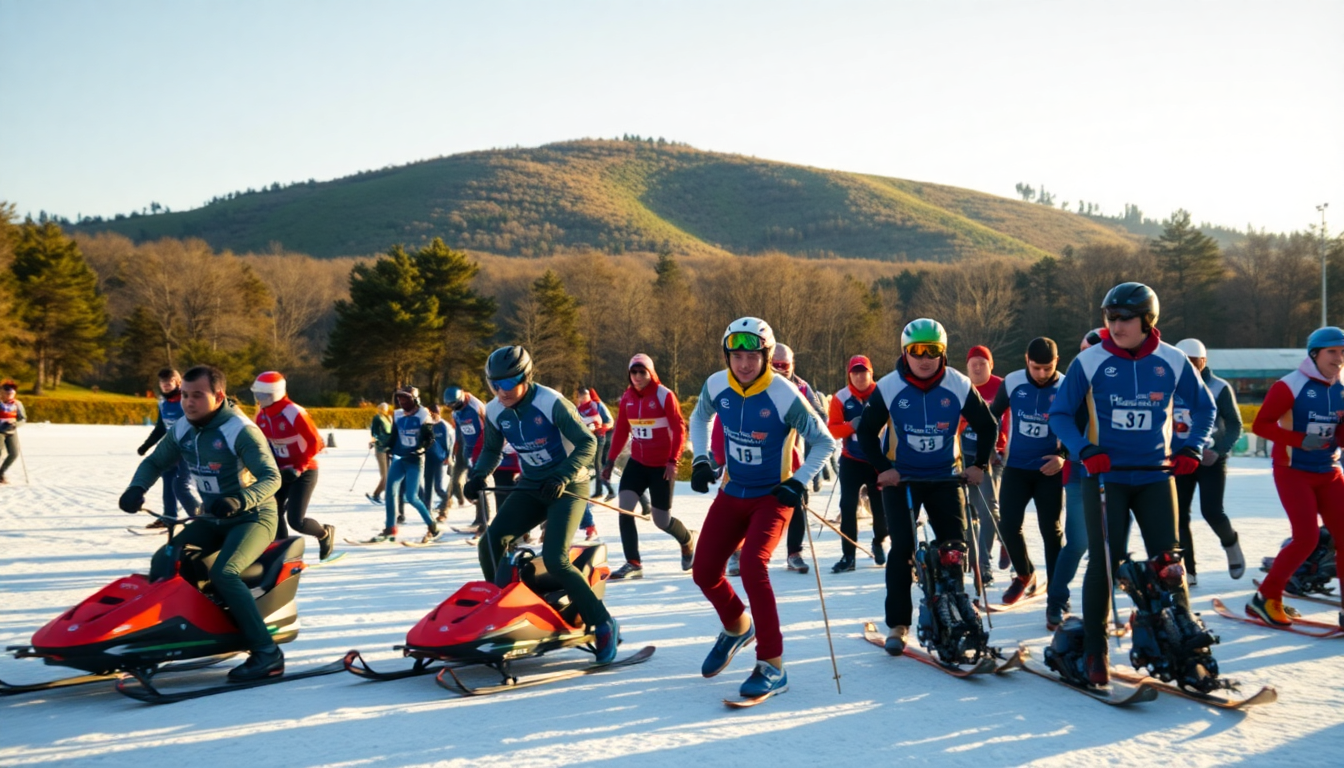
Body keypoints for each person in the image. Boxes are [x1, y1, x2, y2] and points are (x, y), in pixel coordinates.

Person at [1048, 282, 1215, 685]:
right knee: (1106, 561)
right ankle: (1094, 651)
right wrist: (1084, 450)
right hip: (1106, 477)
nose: (1115, 325)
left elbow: (1206, 406)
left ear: (1147, 320)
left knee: (1169, 565)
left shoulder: (1173, 360)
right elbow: (1059, 415)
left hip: (1156, 475)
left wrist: (1192, 448)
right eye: (1110, 317)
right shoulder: (1089, 361)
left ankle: (1185, 650)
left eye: (1124, 318)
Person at [688, 318, 837, 700]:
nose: (743, 364)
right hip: (732, 490)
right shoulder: (716, 384)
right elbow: (699, 416)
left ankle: (772, 665)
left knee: (753, 564)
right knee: (704, 571)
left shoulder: (784, 394)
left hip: (772, 496)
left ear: (767, 356)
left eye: (752, 356)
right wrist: (701, 458)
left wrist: (799, 480)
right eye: (736, 356)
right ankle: (738, 626)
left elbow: (824, 441)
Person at [116, 365, 284, 681]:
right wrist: (136, 488)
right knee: (166, 560)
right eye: (185, 395)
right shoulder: (183, 427)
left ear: (218, 396)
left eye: (197, 396)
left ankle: (267, 653)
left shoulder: (239, 430)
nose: (188, 403)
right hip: (212, 517)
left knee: (225, 572)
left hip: (253, 516)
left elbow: (271, 477)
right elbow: (154, 461)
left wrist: (241, 500)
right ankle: (176, 638)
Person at [462, 346, 619, 664]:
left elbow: (588, 442)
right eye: (494, 384)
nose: (500, 392)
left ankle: (603, 623)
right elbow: (492, 450)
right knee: (490, 543)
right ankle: (506, 613)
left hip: (568, 485)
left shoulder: (550, 402)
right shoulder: (494, 410)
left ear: (525, 377)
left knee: (555, 558)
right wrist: (478, 475)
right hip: (532, 485)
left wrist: (562, 475)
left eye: (507, 384)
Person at [855, 319, 998, 654]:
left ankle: (954, 614)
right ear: (906, 353)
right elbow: (866, 433)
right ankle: (898, 624)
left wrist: (979, 466)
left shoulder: (958, 384)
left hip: (946, 477)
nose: (924, 358)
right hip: (902, 480)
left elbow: (987, 425)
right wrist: (883, 469)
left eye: (932, 351)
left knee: (953, 549)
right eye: (916, 351)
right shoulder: (889, 387)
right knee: (902, 549)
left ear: (942, 353)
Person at [1247, 326, 1344, 628]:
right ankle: (1267, 597)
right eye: (1332, 352)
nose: (1339, 359)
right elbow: (1261, 425)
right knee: (1306, 537)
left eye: (1343, 353)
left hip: (1329, 471)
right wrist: (1299, 439)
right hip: (1293, 471)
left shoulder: (1341, 386)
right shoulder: (1290, 385)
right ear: (1314, 354)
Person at [602, 353, 695, 579]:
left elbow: (679, 429)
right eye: (633, 372)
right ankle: (633, 563)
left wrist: (673, 460)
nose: (637, 377)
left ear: (650, 373)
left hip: (661, 466)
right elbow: (622, 430)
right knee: (624, 509)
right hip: (637, 463)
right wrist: (610, 460)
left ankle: (687, 540)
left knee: (661, 520)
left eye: (641, 372)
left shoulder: (664, 396)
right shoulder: (627, 397)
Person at [989, 338, 1066, 606]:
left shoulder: (1066, 385)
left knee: (1051, 530)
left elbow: (1078, 425)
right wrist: (987, 450)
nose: (1042, 374)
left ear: (1056, 362)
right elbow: (992, 416)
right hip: (1017, 467)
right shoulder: (1012, 382)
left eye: (1047, 368)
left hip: (1048, 470)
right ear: (1026, 361)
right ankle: (1024, 574)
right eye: (1036, 368)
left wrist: (1063, 456)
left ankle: (1056, 591)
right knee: (1008, 525)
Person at [1172, 338, 1245, 585]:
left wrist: (1221, 450)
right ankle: (1188, 570)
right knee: (1178, 515)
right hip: (1181, 459)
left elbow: (1235, 425)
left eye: (1195, 363)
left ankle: (1231, 543)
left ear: (1204, 362)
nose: (1191, 368)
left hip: (1210, 458)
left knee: (1212, 511)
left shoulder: (1218, 387)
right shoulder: (1169, 385)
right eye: (1185, 363)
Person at [1046, 329, 1104, 629]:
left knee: (1109, 545)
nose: (1081, 356)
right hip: (1080, 471)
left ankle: (1102, 610)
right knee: (1079, 542)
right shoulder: (1074, 379)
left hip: (1117, 472)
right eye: (1079, 349)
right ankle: (1056, 600)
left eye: (1088, 349)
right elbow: (1060, 419)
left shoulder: (1114, 377)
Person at [252, 371, 336, 561]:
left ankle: (324, 533)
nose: (259, 399)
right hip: (281, 472)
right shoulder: (262, 415)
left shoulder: (293, 412)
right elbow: (264, 445)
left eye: (263, 395)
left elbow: (316, 442)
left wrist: (299, 467)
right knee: (273, 512)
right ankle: (281, 554)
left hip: (304, 470)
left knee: (296, 521)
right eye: (257, 394)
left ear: (276, 393)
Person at [826, 355, 889, 572]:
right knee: (848, 506)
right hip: (851, 459)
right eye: (855, 373)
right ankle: (848, 555)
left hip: (878, 460)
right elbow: (832, 429)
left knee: (881, 509)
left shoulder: (883, 393)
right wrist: (850, 426)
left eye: (864, 372)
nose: (860, 377)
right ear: (849, 375)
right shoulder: (841, 397)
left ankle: (879, 541)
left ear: (871, 373)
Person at [771, 343, 829, 575]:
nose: (778, 369)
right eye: (773, 365)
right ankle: (738, 552)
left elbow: (822, 420)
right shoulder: (754, 384)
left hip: (791, 460)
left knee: (797, 503)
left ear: (792, 365)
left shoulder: (802, 388)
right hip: (756, 458)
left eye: (783, 365)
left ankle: (794, 552)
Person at [961, 345, 1008, 584]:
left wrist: (1000, 448)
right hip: (964, 454)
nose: (978, 368)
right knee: (968, 512)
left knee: (988, 510)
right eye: (973, 364)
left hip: (993, 456)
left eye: (982, 363)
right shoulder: (961, 387)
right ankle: (975, 558)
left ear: (991, 365)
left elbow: (1009, 420)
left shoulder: (1002, 386)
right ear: (967, 367)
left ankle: (984, 563)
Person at [371, 386, 439, 543]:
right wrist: (385, 444)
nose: (401, 402)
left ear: (414, 399)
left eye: (405, 398)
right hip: (400, 458)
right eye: (400, 399)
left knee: (412, 496)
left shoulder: (423, 414)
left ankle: (432, 525)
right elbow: (394, 436)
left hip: (415, 460)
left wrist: (422, 448)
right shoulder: (397, 414)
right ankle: (390, 528)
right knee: (390, 492)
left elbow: (430, 437)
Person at [135, 368, 201, 526]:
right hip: (170, 450)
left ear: (178, 382)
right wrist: (146, 445)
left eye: (169, 382)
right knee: (168, 481)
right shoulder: (163, 402)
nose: (165, 385)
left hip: (189, 450)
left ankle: (200, 519)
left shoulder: (187, 400)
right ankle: (169, 517)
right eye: (162, 383)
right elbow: (160, 428)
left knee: (182, 486)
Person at [444, 386, 490, 530]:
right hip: (465, 448)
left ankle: (483, 519)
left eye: (456, 405)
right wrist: (455, 448)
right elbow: (458, 431)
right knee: (456, 479)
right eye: (452, 406)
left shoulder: (476, 407)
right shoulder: (456, 412)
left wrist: (484, 452)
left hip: (479, 449)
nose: (455, 408)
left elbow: (487, 429)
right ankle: (475, 510)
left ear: (462, 398)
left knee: (477, 483)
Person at [576, 386, 617, 500]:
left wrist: (600, 428)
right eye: (581, 396)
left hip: (604, 435)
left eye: (586, 395)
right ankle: (602, 487)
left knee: (599, 464)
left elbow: (610, 422)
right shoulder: (580, 408)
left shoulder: (597, 405)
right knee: (595, 464)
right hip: (591, 437)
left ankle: (604, 489)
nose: (584, 398)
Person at [421, 403, 455, 516]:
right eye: (433, 413)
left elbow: (449, 443)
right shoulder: (427, 424)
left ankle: (446, 502)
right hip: (428, 458)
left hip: (439, 459)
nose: (435, 415)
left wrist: (448, 457)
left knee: (438, 487)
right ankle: (427, 509)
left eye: (437, 413)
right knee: (427, 485)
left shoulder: (443, 426)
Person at [365, 402, 392, 504]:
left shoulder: (388, 418)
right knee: (385, 476)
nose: (384, 410)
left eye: (385, 408)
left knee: (390, 475)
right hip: (380, 449)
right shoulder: (377, 418)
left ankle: (387, 496)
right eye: (382, 408)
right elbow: (374, 432)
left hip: (389, 449)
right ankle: (376, 494)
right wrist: (375, 440)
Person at [0, 379, 24, 485]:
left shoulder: (17, 404)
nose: (10, 395)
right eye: (7, 393)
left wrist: (15, 423)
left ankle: (1, 473)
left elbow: (23, 418)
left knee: (14, 453)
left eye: (12, 393)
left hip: (11, 431)